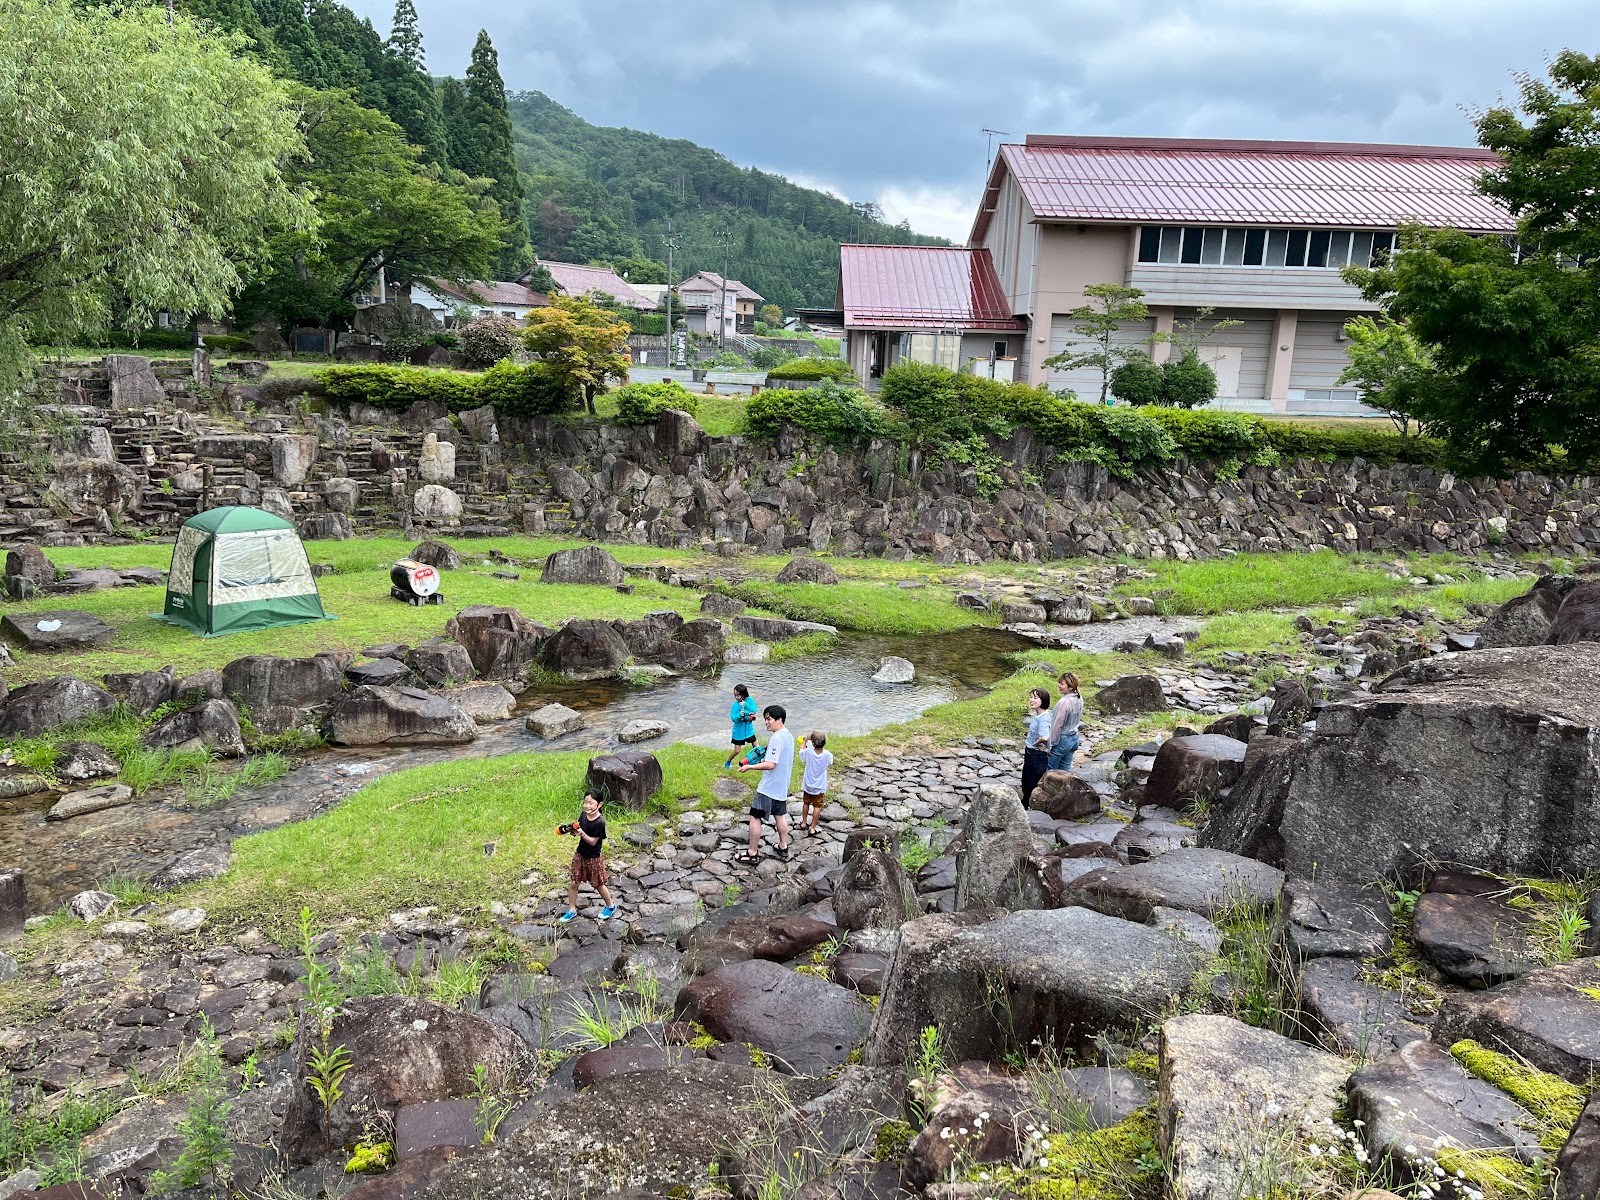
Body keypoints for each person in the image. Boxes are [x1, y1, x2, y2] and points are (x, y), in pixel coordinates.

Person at [735, 704, 794, 864]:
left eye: (769, 719)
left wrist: (750, 766)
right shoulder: (788, 735)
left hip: (768, 787)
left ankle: (752, 853)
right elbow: (777, 759)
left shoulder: (776, 738)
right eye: (765, 719)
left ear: (779, 720)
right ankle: (783, 846)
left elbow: (771, 764)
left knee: (755, 817)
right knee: (779, 815)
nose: (766, 722)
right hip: (782, 786)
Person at [559, 792, 616, 923]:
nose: (587, 805)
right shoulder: (584, 815)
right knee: (574, 882)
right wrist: (573, 831)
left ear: (599, 804)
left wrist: (582, 834)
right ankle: (572, 910)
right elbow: (579, 827)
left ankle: (611, 906)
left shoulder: (600, 822)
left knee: (598, 884)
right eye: (585, 802)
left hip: (594, 857)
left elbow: (593, 842)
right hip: (580, 853)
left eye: (590, 803)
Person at [1021, 686, 1052, 807]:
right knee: (1026, 780)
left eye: (1035, 698)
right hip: (1032, 753)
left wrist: (1036, 744)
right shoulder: (1038, 714)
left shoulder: (1043, 718)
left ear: (1043, 700)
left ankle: (1027, 805)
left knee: (1030, 783)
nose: (1031, 700)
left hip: (1036, 755)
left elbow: (1045, 737)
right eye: (1031, 697)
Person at [797, 730, 832, 835]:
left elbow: (801, 752)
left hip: (808, 785)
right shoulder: (827, 755)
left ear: (812, 743)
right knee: (817, 807)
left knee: (806, 803)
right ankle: (812, 828)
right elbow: (830, 762)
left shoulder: (808, 752)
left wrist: (804, 740)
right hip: (819, 786)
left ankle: (803, 822)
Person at [1048, 672, 1083, 774]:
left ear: (1071, 687)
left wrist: (1050, 744)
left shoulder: (1064, 702)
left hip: (1062, 740)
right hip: (1073, 738)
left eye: (1062, 684)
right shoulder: (1079, 698)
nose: (1059, 686)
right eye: (1059, 683)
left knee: (1050, 772)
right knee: (1065, 771)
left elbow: (1058, 724)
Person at [724, 684, 758, 769]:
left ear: (743, 694)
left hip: (749, 730)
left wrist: (745, 705)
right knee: (737, 750)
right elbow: (733, 718)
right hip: (739, 732)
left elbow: (754, 710)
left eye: (738, 695)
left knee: (756, 746)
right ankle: (728, 761)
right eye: (735, 695)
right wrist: (740, 714)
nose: (736, 697)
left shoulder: (750, 700)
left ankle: (758, 760)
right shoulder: (735, 706)